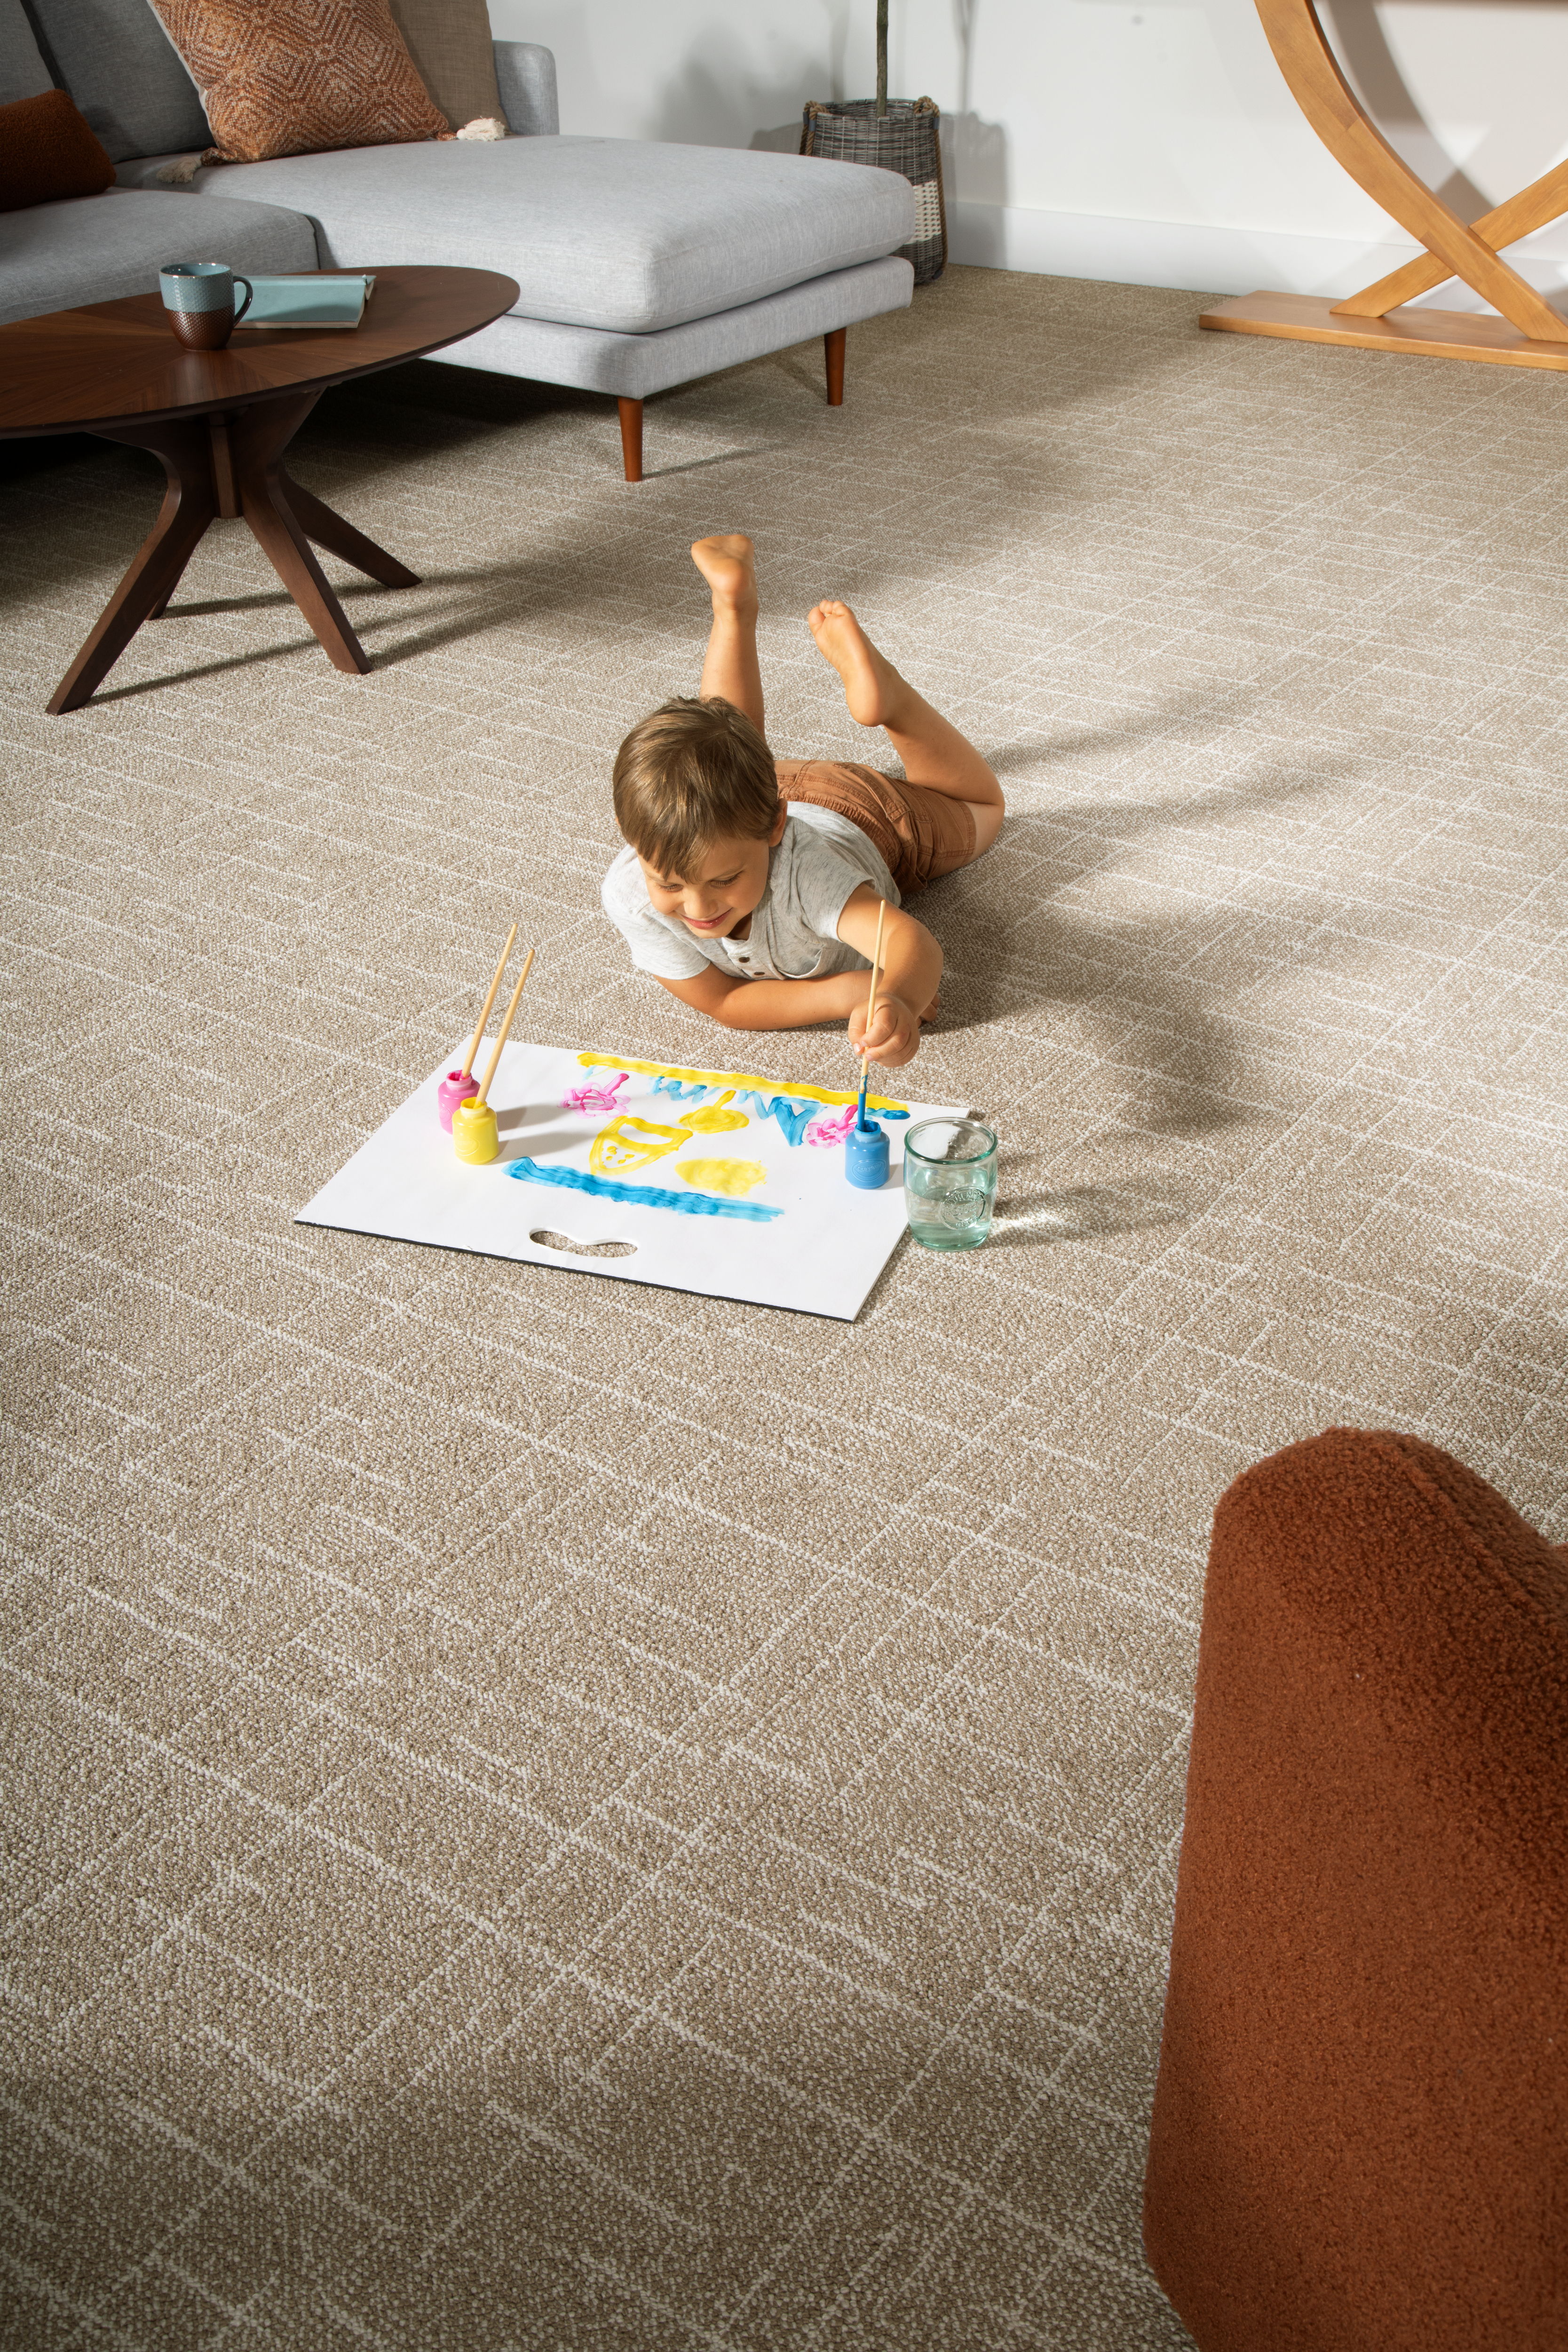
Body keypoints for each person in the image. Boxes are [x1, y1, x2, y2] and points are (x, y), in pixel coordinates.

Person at [601, 534, 1004, 1072]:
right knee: (727, 742)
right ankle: (733, 605)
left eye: (722, 881)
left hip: (869, 813)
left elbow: (913, 943)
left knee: (980, 807)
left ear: (774, 826)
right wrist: (852, 991)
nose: (698, 910)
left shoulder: (807, 875)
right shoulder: (631, 894)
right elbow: (725, 1003)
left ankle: (892, 699)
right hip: (756, 798)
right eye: (670, 884)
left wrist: (899, 997)